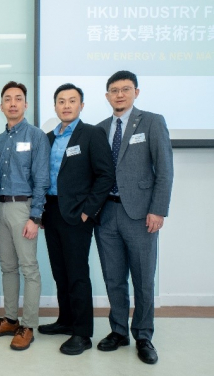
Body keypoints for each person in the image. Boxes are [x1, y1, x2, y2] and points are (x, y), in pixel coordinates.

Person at [94, 71, 174, 365]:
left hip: (141, 214)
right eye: (114, 90)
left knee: (142, 278)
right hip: (107, 214)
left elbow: (164, 170)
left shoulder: (152, 122)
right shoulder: (101, 129)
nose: (119, 95)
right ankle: (118, 331)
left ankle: (143, 335)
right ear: (107, 96)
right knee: (113, 278)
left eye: (125, 89)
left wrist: (158, 209)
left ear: (136, 92)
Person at [38, 83, 114, 355]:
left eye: (72, 101)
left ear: (81, 105)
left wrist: (88, 211)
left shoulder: (92, 134)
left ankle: (82, 333)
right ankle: (66, 320)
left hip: (78, 215)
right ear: (55, 105)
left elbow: (105, 175)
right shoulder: (47, 137)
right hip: (52, 212)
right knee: (60, 271)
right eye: (61, 101)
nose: (66, 105)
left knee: (78, 274)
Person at [0, 82, 49, 351]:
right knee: (7, 267)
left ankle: (28, 324)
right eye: (7, 99)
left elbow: (42, 178)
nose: (12, 103)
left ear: (26, 104)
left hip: (24, 209)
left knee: (29, 268)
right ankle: (10, 319)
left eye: (18, 99)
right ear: (1, 106)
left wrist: (36, 217)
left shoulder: (36, 136)